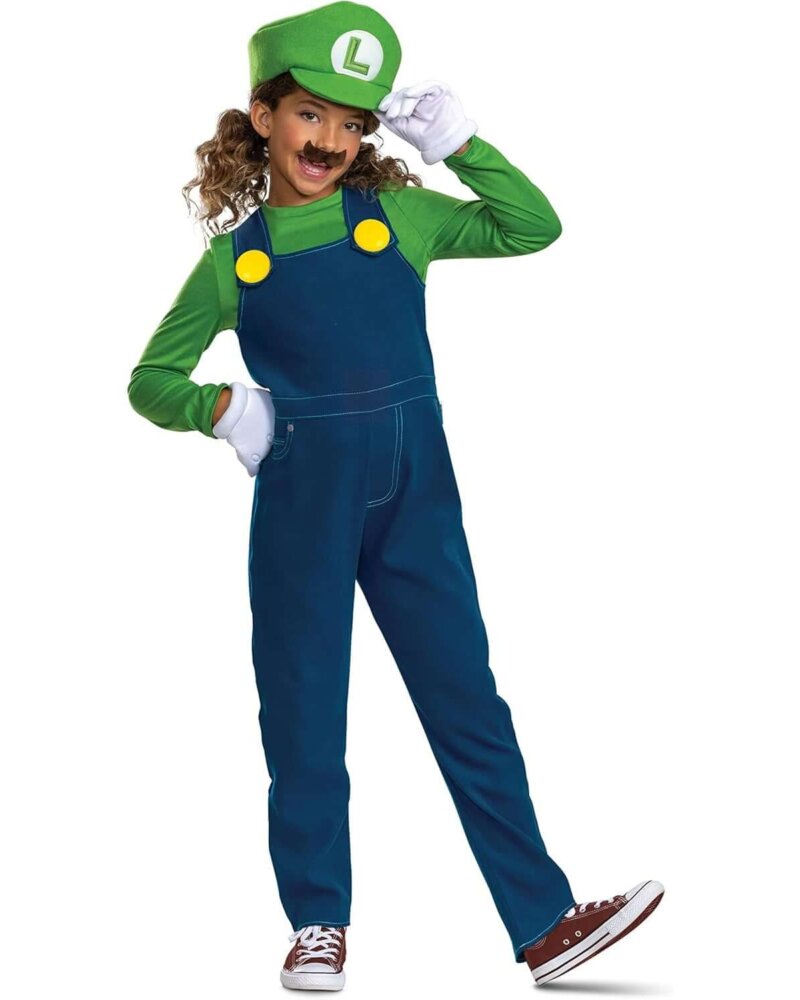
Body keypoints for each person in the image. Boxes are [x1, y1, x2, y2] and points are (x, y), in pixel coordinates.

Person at [127, 1, 664, 990]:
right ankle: (316, 922)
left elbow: (532, 226)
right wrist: (221, 408)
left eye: (350, 122)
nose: (328, 141)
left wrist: (462, 146)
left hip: (416, 497)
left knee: (466, 698)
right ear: (262, 116)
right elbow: (148, 380)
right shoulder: (233, 263)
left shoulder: (397, 221)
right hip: (302, 499)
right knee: (302, 709)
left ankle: (545, 922)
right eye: (309, 115)